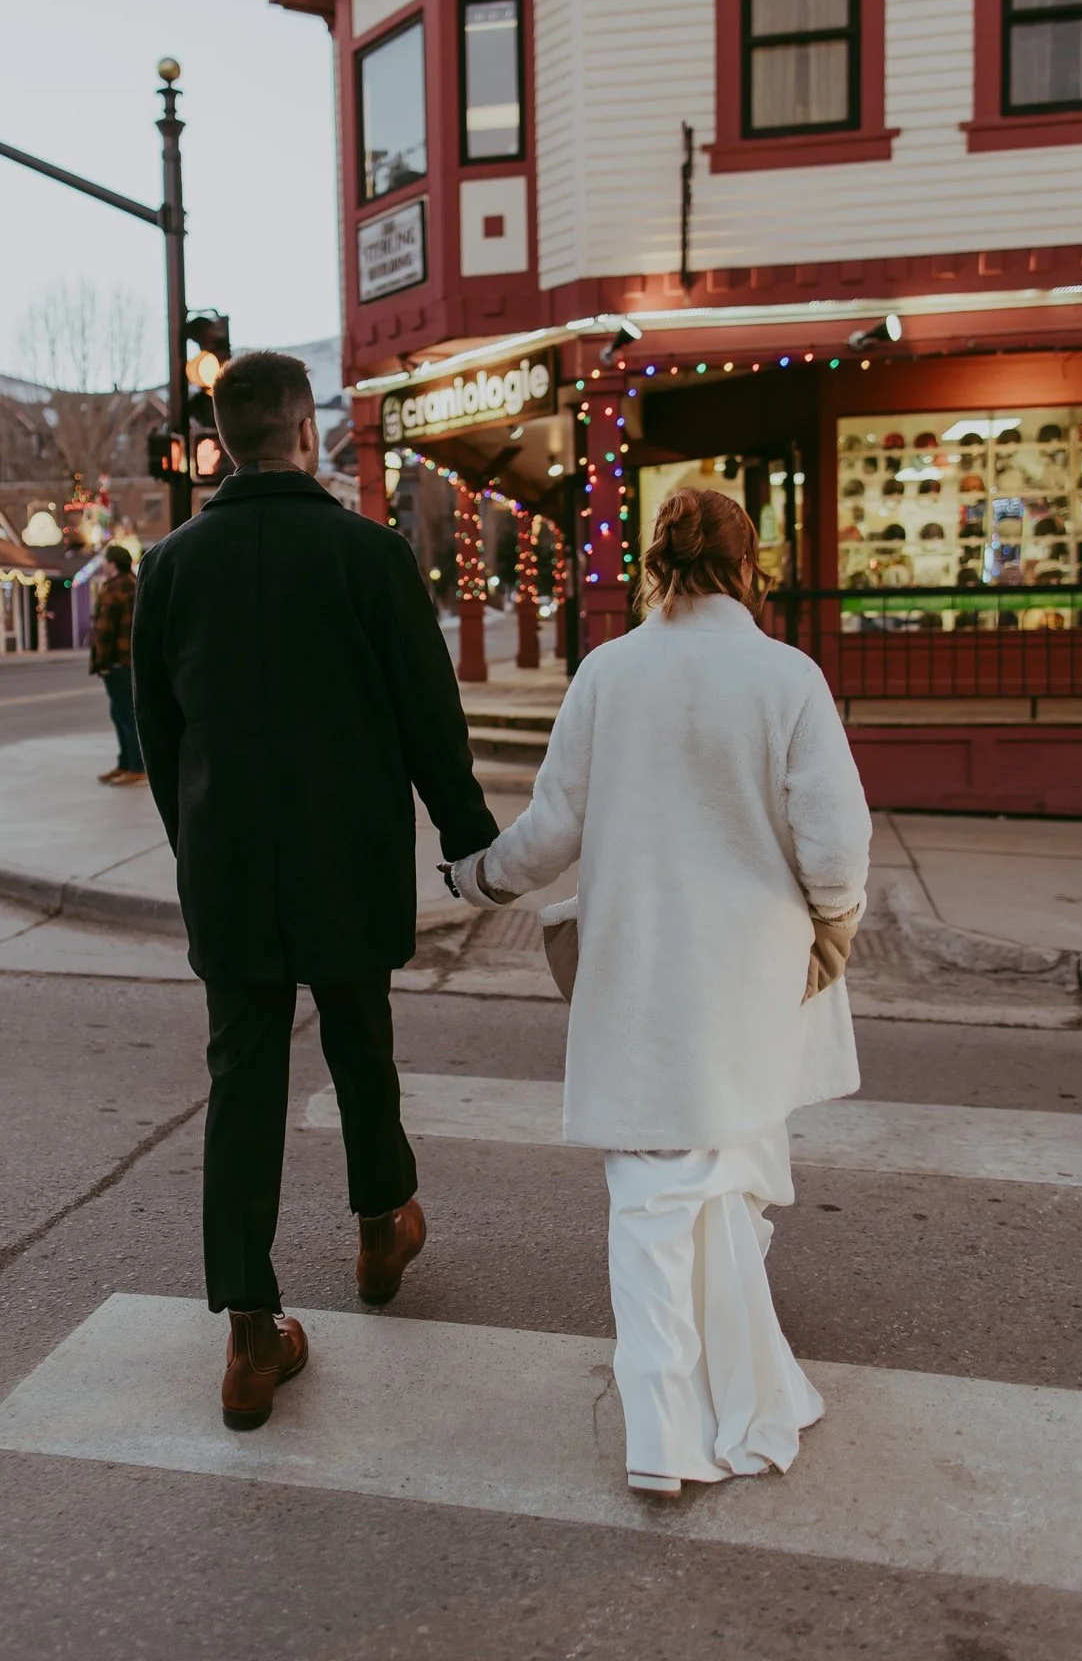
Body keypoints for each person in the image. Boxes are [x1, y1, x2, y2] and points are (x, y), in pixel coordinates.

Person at [449, 487, 871, 1498]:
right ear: (748, 568)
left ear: (654, 565)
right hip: (753, 974)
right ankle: (741, 1394)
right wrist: (834, 925)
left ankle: (664, 1430)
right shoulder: (788, 676)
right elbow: (836, 841)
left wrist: (479, 879)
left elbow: (553, 829)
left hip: (640, 971)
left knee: (647, 1195)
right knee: (720, 1174)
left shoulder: (608, 670)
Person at [132, 350, 497, 1432]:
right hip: (348, 852)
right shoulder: (370, 554)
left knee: (241, 1079)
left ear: (219, 441)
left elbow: (160, 736)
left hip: (229, 863)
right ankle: (383, 1226)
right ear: (303, 430)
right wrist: (470, 842)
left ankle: (250, 1334)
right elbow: (429, 715)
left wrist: (194, 845)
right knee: (360, 1040)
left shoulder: (170, 567)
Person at [89, 544, 146, 786]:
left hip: (116, 660)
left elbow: (104, 631)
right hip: (128, 659)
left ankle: (136, 767)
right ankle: (126, 763)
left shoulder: (114, 589)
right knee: (120, 712)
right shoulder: (134, 584)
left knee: (124, 714)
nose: (103, 565)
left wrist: (101, 662)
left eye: (106, 560)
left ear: (112, 563)